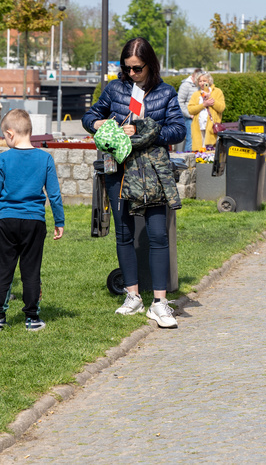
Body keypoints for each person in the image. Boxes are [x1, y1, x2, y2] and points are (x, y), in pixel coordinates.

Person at [82, 37, 185, 328]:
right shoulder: (115, 88)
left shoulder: (165, 92)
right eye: (126, 68)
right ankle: (133, 295)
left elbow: (178, 130)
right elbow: (90, 114)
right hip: (118, 169)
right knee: (123, 232)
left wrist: (144, 129)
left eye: (136, 68)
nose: (131, 74)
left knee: (157, 235)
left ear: (150, 65)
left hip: (152, 172)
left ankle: (160, 303)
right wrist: (96, 123)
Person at [0, 109, 64, 331]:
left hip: (6, 221)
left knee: (3, 270)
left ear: (10, 134)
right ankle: (32, 317)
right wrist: (59, 221)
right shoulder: (45, 158)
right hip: (34, 222)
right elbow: (54, 195)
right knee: (31, 271)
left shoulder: (3, 159)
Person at [187, 71, 225, 152]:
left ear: (209, 81)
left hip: (211, 127)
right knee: (200, 151)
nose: (202, 83)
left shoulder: (217, 92)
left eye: (204, 81)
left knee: (211, 151)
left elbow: (221, 108)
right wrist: (203, 104)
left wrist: (210, 99)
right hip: (198, 127)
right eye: (200, 81)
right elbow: (190, 110)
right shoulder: (196, 94)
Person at [177, 69, 203, 152]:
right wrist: (189, 114)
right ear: (193, 76)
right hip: (190, 117)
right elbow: (180, 102)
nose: (200, 81)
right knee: (190, 140)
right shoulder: (186, 85)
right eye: (199, 79)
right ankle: (187, 161)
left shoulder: (199, 85)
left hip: (200, 116)